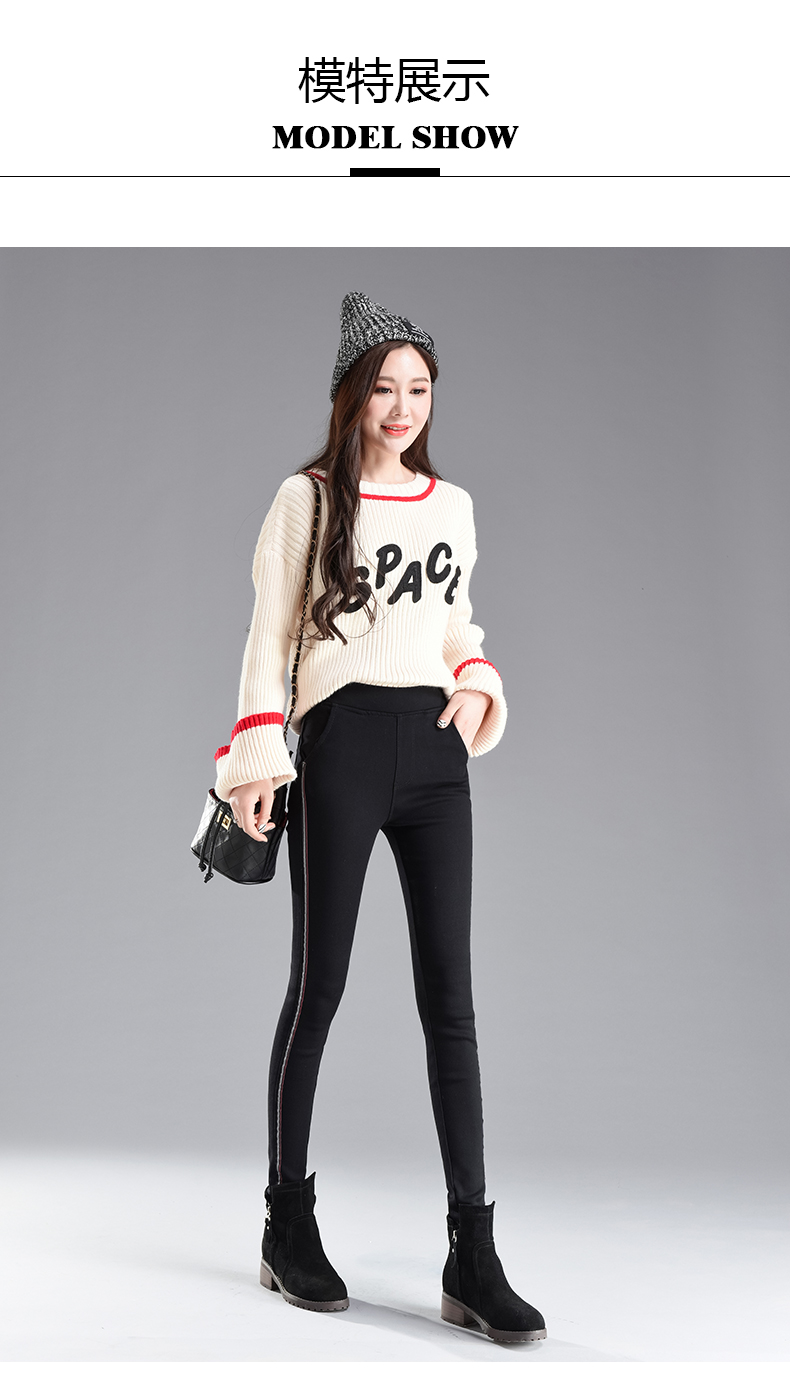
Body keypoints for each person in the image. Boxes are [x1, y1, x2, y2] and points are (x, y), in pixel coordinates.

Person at [212, 291, 546, 1344]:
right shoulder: (306, 500)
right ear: (351, 395)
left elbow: (454, 626)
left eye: (419, 389)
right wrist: (256, 757)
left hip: (435, 758)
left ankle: (472, 1253)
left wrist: (478, 684)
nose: (402, 408)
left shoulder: (452, 506)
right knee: (320, 985)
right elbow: (270, 637)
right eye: (384, 389)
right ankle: (287, 1224)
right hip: (344, 746)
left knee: (453, 1000)